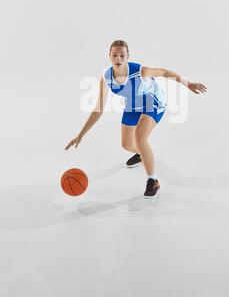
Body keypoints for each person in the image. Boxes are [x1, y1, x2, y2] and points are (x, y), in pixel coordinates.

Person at [65, 40, 207, 197]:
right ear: (109, 56)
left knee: (140, 139)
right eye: (114, 55)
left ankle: (153, 181)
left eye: (122, 55)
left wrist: (188, 84)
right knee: (126, 145)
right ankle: (143, 155)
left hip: (152, 102)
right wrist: (80, 135)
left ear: (127, 56)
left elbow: (164, 72)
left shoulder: (141, 72)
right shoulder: (106, 79)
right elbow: (98, 110)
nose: (118, 59)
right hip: (132, 106)